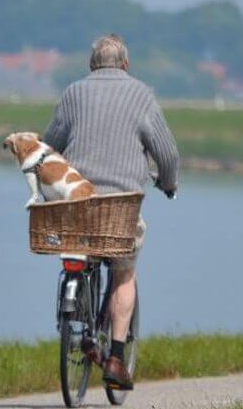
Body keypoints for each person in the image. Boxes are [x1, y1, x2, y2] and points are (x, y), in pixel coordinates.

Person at [44, 33, 179, 390]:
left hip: (77, 206)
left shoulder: (73, 93)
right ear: (125, 64)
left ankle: (76, 316)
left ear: (91, 65)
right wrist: (168, 182)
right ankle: (117, 357)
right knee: (123, 273)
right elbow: (167, 155)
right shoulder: (142, 96)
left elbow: (48, 146)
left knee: (80, 251)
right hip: (121, 209)